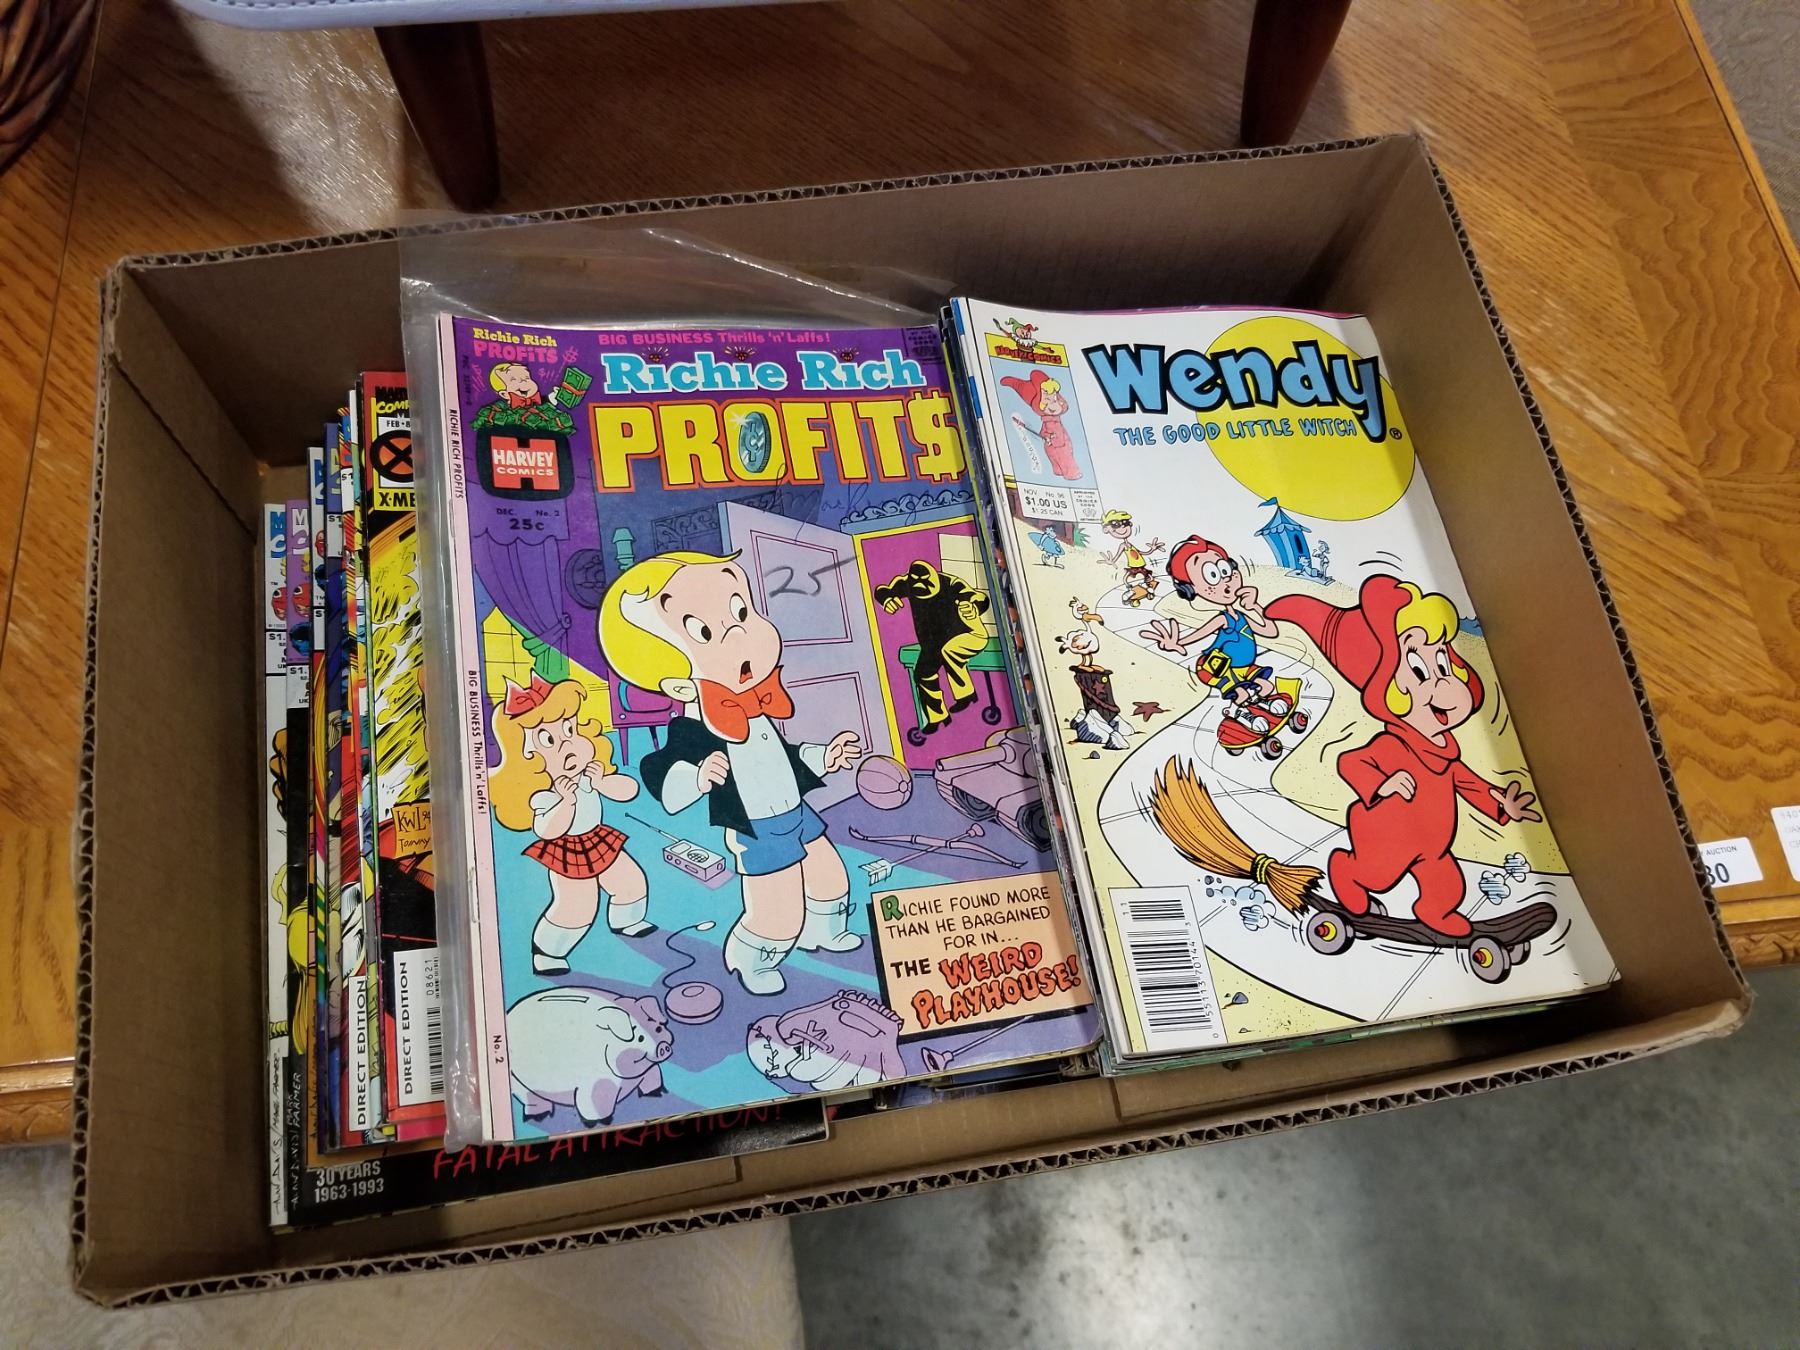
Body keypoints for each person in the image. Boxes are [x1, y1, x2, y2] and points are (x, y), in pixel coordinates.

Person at [600, 551, 863, 994]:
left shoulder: (754, 710)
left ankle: (824, 932)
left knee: (830, 876)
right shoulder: (694, 726)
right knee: (779, 911)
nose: (740, 634)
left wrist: (824, 756)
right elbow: (658, 768)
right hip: (756, 827)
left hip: (795, 810)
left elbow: (781, 757)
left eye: (740, 612)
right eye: (705, 633)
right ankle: (750, 958)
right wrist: (696, 776)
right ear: (679, 683)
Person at [1267, 576, 1541, 936]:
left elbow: (1469, 784)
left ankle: (1434, 911)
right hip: (1386, 836)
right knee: (1377, 876)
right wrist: (1383, 784)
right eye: (1419, 671)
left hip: (1432, 844)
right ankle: (1347, 870)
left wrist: (1501, 805)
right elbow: (1351, 762)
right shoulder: (1393, 745)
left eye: (1442, 663)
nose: (1444, 683)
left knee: (1447, 883)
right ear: (1387, 688)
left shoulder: (1444, 752)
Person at [489, 674, 652, 975]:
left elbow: (629, 790)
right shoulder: (543, 794)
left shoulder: (589, 774)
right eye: (549, 741)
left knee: (631, 881)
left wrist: (602, 782)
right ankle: (547, 952)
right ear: (528, 756)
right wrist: (566, 801)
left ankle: (627, 920)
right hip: (567, 851)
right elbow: (547, 830)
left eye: (570, 730)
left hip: (598, 838)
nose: (569, 746)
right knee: (577, 908)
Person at [875, 560, 991, 734]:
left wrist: (974, 606)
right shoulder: (906, 582)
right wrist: (886, 599)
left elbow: (977, 597)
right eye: (916, 582)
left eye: (925, 582)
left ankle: (966, 694)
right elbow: (883, 590)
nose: (920, 586)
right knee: (922, 674)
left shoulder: (951, 583)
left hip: (963, 635)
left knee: (949, 651)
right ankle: (937, 717)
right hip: (932, 644)